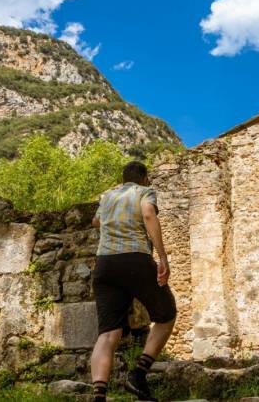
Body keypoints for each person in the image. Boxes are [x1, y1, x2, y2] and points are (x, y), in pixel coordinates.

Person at [90, 161, 176, 402]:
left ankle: (99, 397)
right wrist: (162, 257)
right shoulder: (144, 192)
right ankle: (137, 375)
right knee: (166, 314)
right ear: (144, 178)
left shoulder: (107, 196)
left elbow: (96, 222)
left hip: (105, 264)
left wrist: (113, 220)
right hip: (135, 258)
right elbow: (148, 213)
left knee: (108, 334)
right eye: (148, 178)